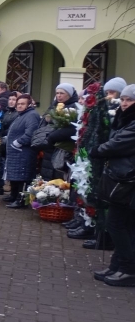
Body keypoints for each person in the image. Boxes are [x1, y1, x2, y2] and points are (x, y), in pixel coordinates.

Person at [89, 84, 135, 287]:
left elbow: (118, 143)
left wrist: (98, 149)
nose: (125, 103)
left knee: (117, 224)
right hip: (122, 177)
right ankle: (118, 265)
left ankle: (128, 268)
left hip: (128, 180)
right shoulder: (125, 119)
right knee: (122, 224)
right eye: (123, 99)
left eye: (130, 100)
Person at [4, 94, 40, 208]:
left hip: (23, 151)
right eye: (18, 104)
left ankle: (21, 200)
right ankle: (13, 196)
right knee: (15, 176)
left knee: (22, 177)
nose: (19, 106)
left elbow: (31, 132)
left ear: (29, 104)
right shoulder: (21, 115)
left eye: (22, 104)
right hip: (15, 152)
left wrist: (18, 142)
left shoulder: (32, 115)